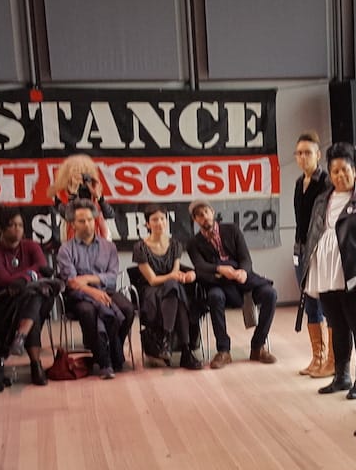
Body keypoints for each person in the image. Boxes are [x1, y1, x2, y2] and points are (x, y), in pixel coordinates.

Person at [303, 143, 356, 400]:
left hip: (354, 273)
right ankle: (341, 375)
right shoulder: (322, 200)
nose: (340, 175)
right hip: (325, 271)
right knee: (336, 325)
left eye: (345, 170)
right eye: (335, 171)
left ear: (355, 171)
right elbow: (314, 233)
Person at [186, 200, 278, 368]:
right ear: (195, 220)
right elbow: (200, 266)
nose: (204, 216)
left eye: (206, 212)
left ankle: (258, 346)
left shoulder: (232, 230)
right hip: (218, 283)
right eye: (199, 215)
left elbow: (245, 257)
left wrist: (243, 271)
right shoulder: (193, 243)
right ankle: (223, 350)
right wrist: (220, 269)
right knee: (214, 296)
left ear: (213, 212)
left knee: (270, 294)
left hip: (242, 279)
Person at [58, 200, 137, 379]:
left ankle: (113, 348)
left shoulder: (109, 246)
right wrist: (92, 291)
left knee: (127, 309)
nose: (87, 224)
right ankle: (104, 361)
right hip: (80, 296)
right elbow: (72, 282)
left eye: (90, 219)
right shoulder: (66, 249)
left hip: (106, 290)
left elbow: (112, 276)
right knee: (89, 312)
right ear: (73, 224)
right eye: (81, 221)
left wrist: (87, 278)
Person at [0, 208, 58, 385]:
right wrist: (32, 275)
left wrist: (24, 279)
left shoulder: (32, 246)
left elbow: (42, 267)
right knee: (34, 298)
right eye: (12, 225)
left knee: (34, 295)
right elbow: (5, 280)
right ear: (1, 228)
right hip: (7, 302)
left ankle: (21, 337)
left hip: (36, 299)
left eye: (20, 225)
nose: (17, 229)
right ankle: (35, 364)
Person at [131, 205, 202, 370]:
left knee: (174, 289)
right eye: (154, 220)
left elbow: (175, 273)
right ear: (147, 224)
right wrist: (174, 277)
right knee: (175, 290)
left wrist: (186, 275)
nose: (159, 223)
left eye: (162, 219)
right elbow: (152, 280)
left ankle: (166, 340)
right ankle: (185, 352)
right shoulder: (140, 247)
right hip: (151, 290)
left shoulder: (175, 244)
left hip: (171, 289)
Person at [291, 132, 333, 378]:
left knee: (325, 303)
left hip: (319, 250)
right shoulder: (299, 183)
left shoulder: (326, 182)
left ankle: (331, 359)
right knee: (309, 304)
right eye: (299, 153)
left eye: (308, 152)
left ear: (318, 155)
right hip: (300, 250)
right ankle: (317, 357)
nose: (303, 157)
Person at [54, 153, 116, 242]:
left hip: (99, 240)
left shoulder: (94, 190)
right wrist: (73, 195)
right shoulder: (62, 194)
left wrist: (100, 199)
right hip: (74, 241)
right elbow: (69, 215)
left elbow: (110, 215)